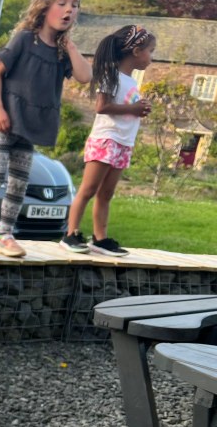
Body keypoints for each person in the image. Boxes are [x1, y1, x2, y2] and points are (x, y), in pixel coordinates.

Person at [0, 0, 93, 259]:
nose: (69, 9)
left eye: (75, 5)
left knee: (19, 182)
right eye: (62, 3)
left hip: (29, 125)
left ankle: (4, 235)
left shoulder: (61, 50)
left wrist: (70, 47)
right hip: (4, 119)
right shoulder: (25, 39)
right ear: (45, 6)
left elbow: (85, 76)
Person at [61, 25, 156, 257]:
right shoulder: (110, 75)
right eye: (150, 51)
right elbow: (102, 107)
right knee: (88, 189)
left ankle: (100, 239)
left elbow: (126, 108)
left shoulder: (132, 81)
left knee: (106, 194)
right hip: (106, 140)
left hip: (123, 143)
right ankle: (70, 234)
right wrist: (133, 108)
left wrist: (139, 109)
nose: (151, 58)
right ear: (136, 51)